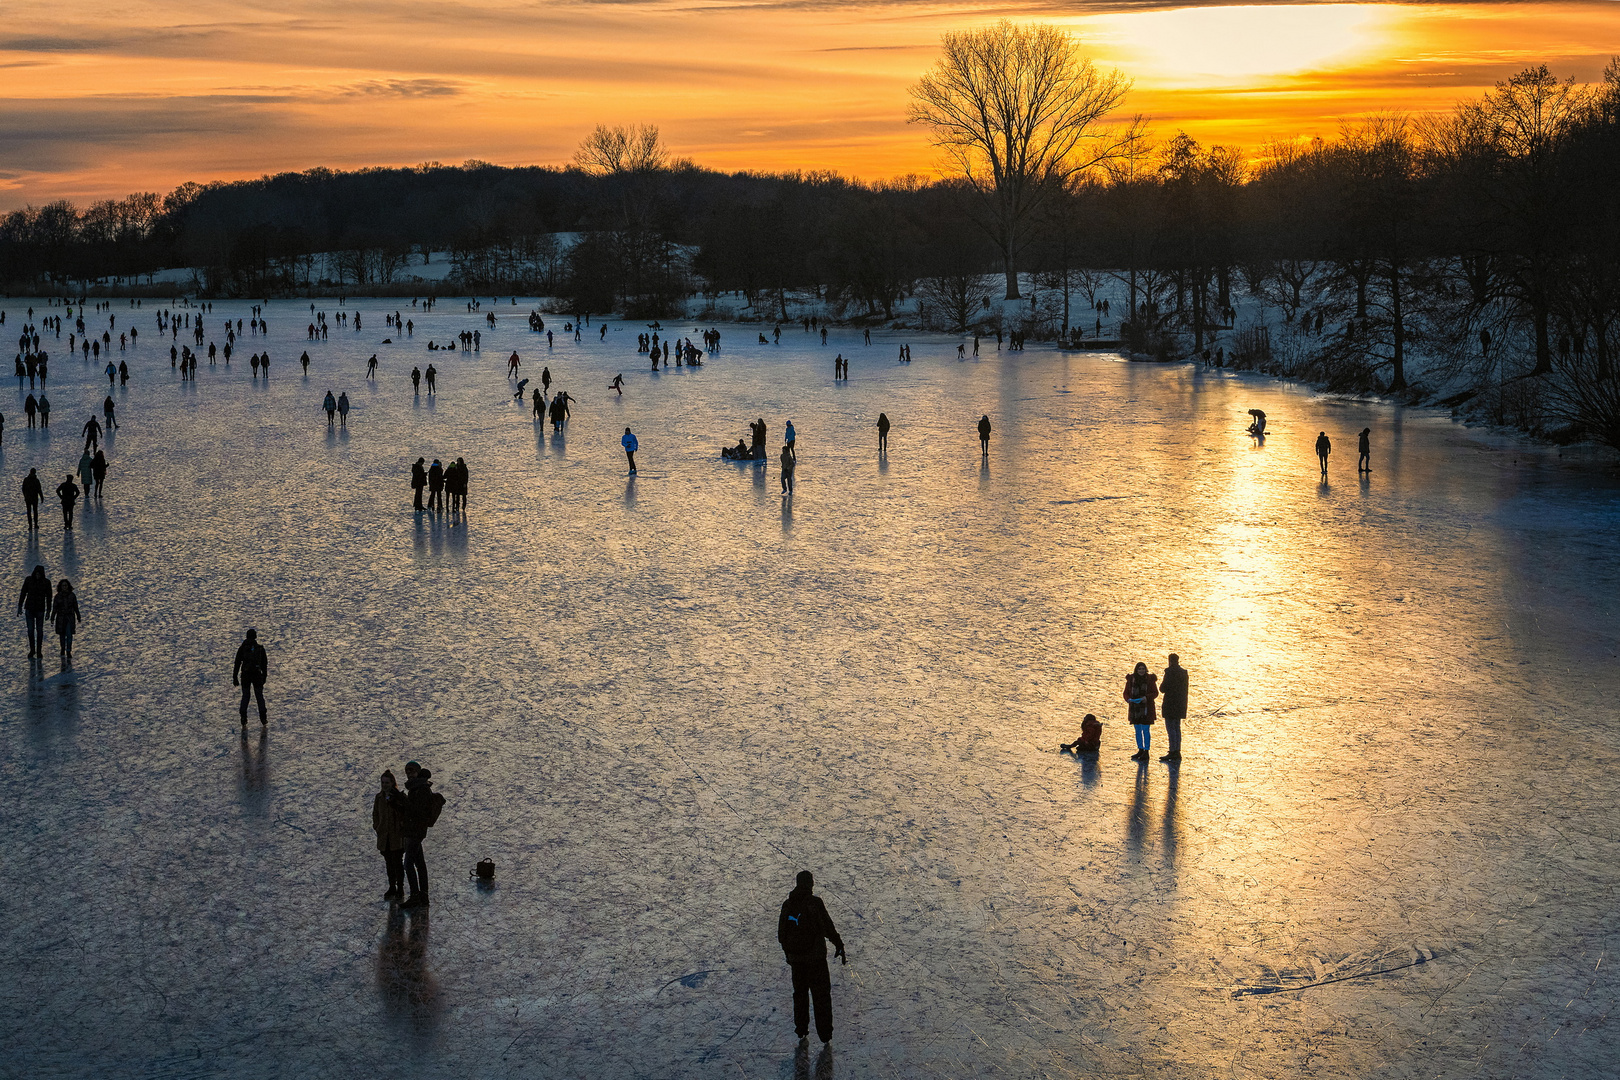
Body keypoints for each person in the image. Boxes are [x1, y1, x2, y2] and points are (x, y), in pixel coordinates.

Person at [777, 871, 845, 1045]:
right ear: (810, 884)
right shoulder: (815, 903)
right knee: (821, 996)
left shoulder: (787, 905)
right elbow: (827, 926)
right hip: (816, 959)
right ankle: (825, 1034)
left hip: (797, 961)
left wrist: (789, 954)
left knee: (800, 994)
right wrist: (838, 943)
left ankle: (801, 1030)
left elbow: (781, 934)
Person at [400, 761, 434, 908]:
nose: (409, 772)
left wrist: (403, 801)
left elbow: (416, 811)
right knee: (419, 863)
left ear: (418, 772)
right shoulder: (415, 788)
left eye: (412, 770)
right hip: (414, 831)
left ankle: (415, 896)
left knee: (407, 863)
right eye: (407, 770)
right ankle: (423, 896)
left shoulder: (421, 789)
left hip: (416, 832)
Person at [373, 771, 408, 901]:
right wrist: (377, 826)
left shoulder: (399, 797)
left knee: (397, 863)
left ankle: (400, 888)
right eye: (382, 783)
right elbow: (375, 814)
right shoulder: (379, 798)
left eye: (387, 782)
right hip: (384, 837)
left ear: (392, 783)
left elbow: (404, 813)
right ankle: (392, 886)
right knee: (389, 863)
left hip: (396, 837)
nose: (384, 785)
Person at [232, 628, 269, 727]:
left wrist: (235, 676)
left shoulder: (242, 648)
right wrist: (264, 675)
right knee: (259, 696)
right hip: (257, 675)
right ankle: (263, 717)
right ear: (255, 637)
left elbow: (237, 662)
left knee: (246, 696)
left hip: (246, 675)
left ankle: (243, 716)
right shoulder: (260, 649)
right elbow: (264, 664)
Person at [1125, 662, 1158, 761]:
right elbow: (1126, 693)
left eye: (1143, 669)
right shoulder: (1131, 680)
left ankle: (1146, 751)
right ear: (1136, 670)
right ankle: (1140, 749)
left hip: (1146, 710)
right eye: (1139, 669)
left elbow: (1155, 693)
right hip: (1135, 709)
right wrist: (1128, 699)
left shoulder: (1150, 680)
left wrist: (1146, 698)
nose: (1141, 671)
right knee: (1138, 730)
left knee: (1146, 730)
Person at [17, 565, 52, 658]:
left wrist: (48, 610)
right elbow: (23, 592)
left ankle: (39, 651)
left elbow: (49, 597)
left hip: (40, 610)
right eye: (36, 573)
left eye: (39, 574)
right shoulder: (28, 580)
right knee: (31, 630)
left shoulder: (46, 582)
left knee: (39, 630)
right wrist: (20, 605)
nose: (37, 575)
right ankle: (32, 650)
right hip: (29, 609)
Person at [1159, 655, 1189, 761]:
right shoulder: (1184, 673)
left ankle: (1172, 751)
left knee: (1170, 728)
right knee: (1177, 728)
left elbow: (1162, 688)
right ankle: (1177, 751)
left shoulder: (1169, 672)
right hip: (1180, 705)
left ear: (1170, 661)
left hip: (1170, 704)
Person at [52, 579, 80, 664]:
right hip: (60, 618)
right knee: (62, 635)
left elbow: (75, 606)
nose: (64, 587)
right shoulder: (57, 596)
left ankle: (68, 650)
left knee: (69, 634)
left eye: (66, 585)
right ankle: (62, 648)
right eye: (63, 586)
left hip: (69, 618)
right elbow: (55, 608)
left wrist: (78, 615)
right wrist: (52, 617)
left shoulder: (72, 596)